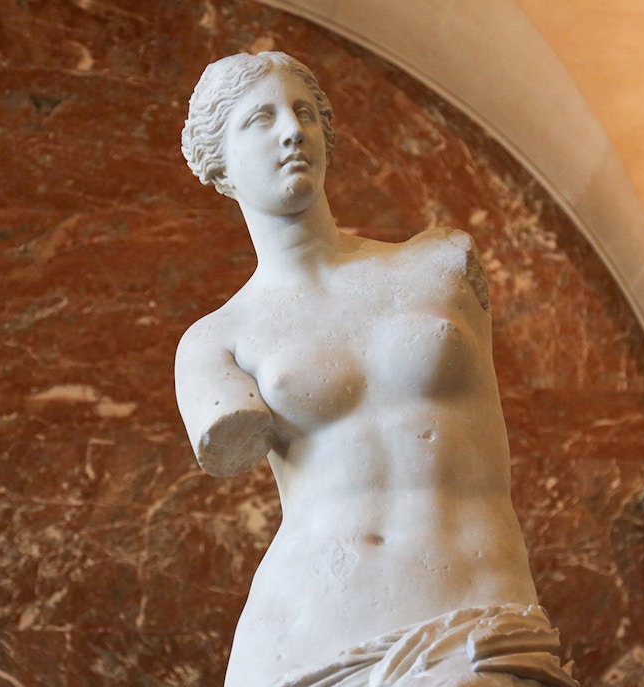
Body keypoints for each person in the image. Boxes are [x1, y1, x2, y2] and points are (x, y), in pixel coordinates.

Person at [176, 51, 578, 687]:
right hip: (305, 633)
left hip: (470, 615)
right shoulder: (215, 342)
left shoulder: (441, 264)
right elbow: (226, 437)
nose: (291, 131)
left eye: (304, 113)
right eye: (261, 119)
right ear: (218, 162)